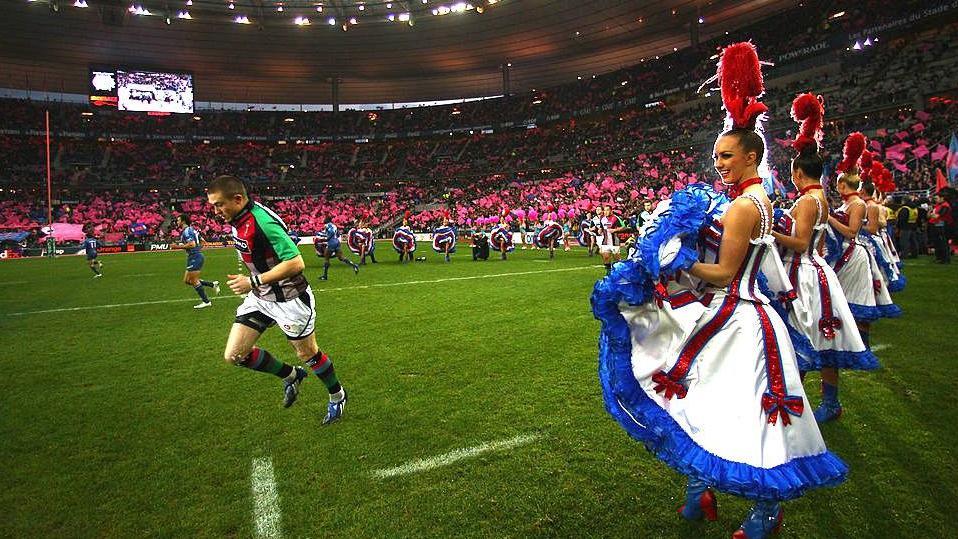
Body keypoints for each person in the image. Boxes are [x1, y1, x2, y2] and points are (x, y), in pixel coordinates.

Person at [592, 42, 845, 539]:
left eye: (727, 155)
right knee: (701, 404)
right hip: (734, 317)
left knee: (738, 415)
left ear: (752, 154)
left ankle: (765, 512)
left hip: (738, 320)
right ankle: (700, 491)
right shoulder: (755, 199)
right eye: (715, 156)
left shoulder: (745, 207)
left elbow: (726, 273)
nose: (718, 164)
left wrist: (677, 265)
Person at [770, 95, 878, 423]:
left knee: (798, 335)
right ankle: (829, 402)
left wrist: (769, 233)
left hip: (802, 272)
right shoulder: (822, 198)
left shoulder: (806, 201)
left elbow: (800, 243)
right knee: (822, 338)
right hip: (816, 271)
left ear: (798, 172)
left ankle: (795, 402)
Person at [207, 175, 347, 425]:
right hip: (261, 298)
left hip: (290, 299)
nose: (215, 211)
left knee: (307, 352)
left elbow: (296, 263)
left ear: (238, 199)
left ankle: (337, 396)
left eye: (219, 204)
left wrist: (253, 281)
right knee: (234, 355)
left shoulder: (262, 222)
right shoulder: (236, 219)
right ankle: (291, 375)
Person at [172, 214, 219, 309]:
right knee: (187, 280)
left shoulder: (187, 231)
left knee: (193, 280)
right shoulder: (192, 229)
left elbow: (192, 244)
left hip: (195, 257)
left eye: (178, 220)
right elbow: (202, 241)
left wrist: (177, 246)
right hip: (194, 256)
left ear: (183, 221)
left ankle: (206, 302)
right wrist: (197, 250)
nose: (177, 222)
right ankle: (212, 284)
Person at [929, 192, 953, 263]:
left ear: (942, 198)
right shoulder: (938, 205)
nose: (935, 200)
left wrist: (932, 214)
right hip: (937, 225)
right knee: (938, 243)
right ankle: (939, 258)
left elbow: (936, 216)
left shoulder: (945, 206)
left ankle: (945, 259)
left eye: (936, 198)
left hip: (943, 226)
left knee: (943, 243)